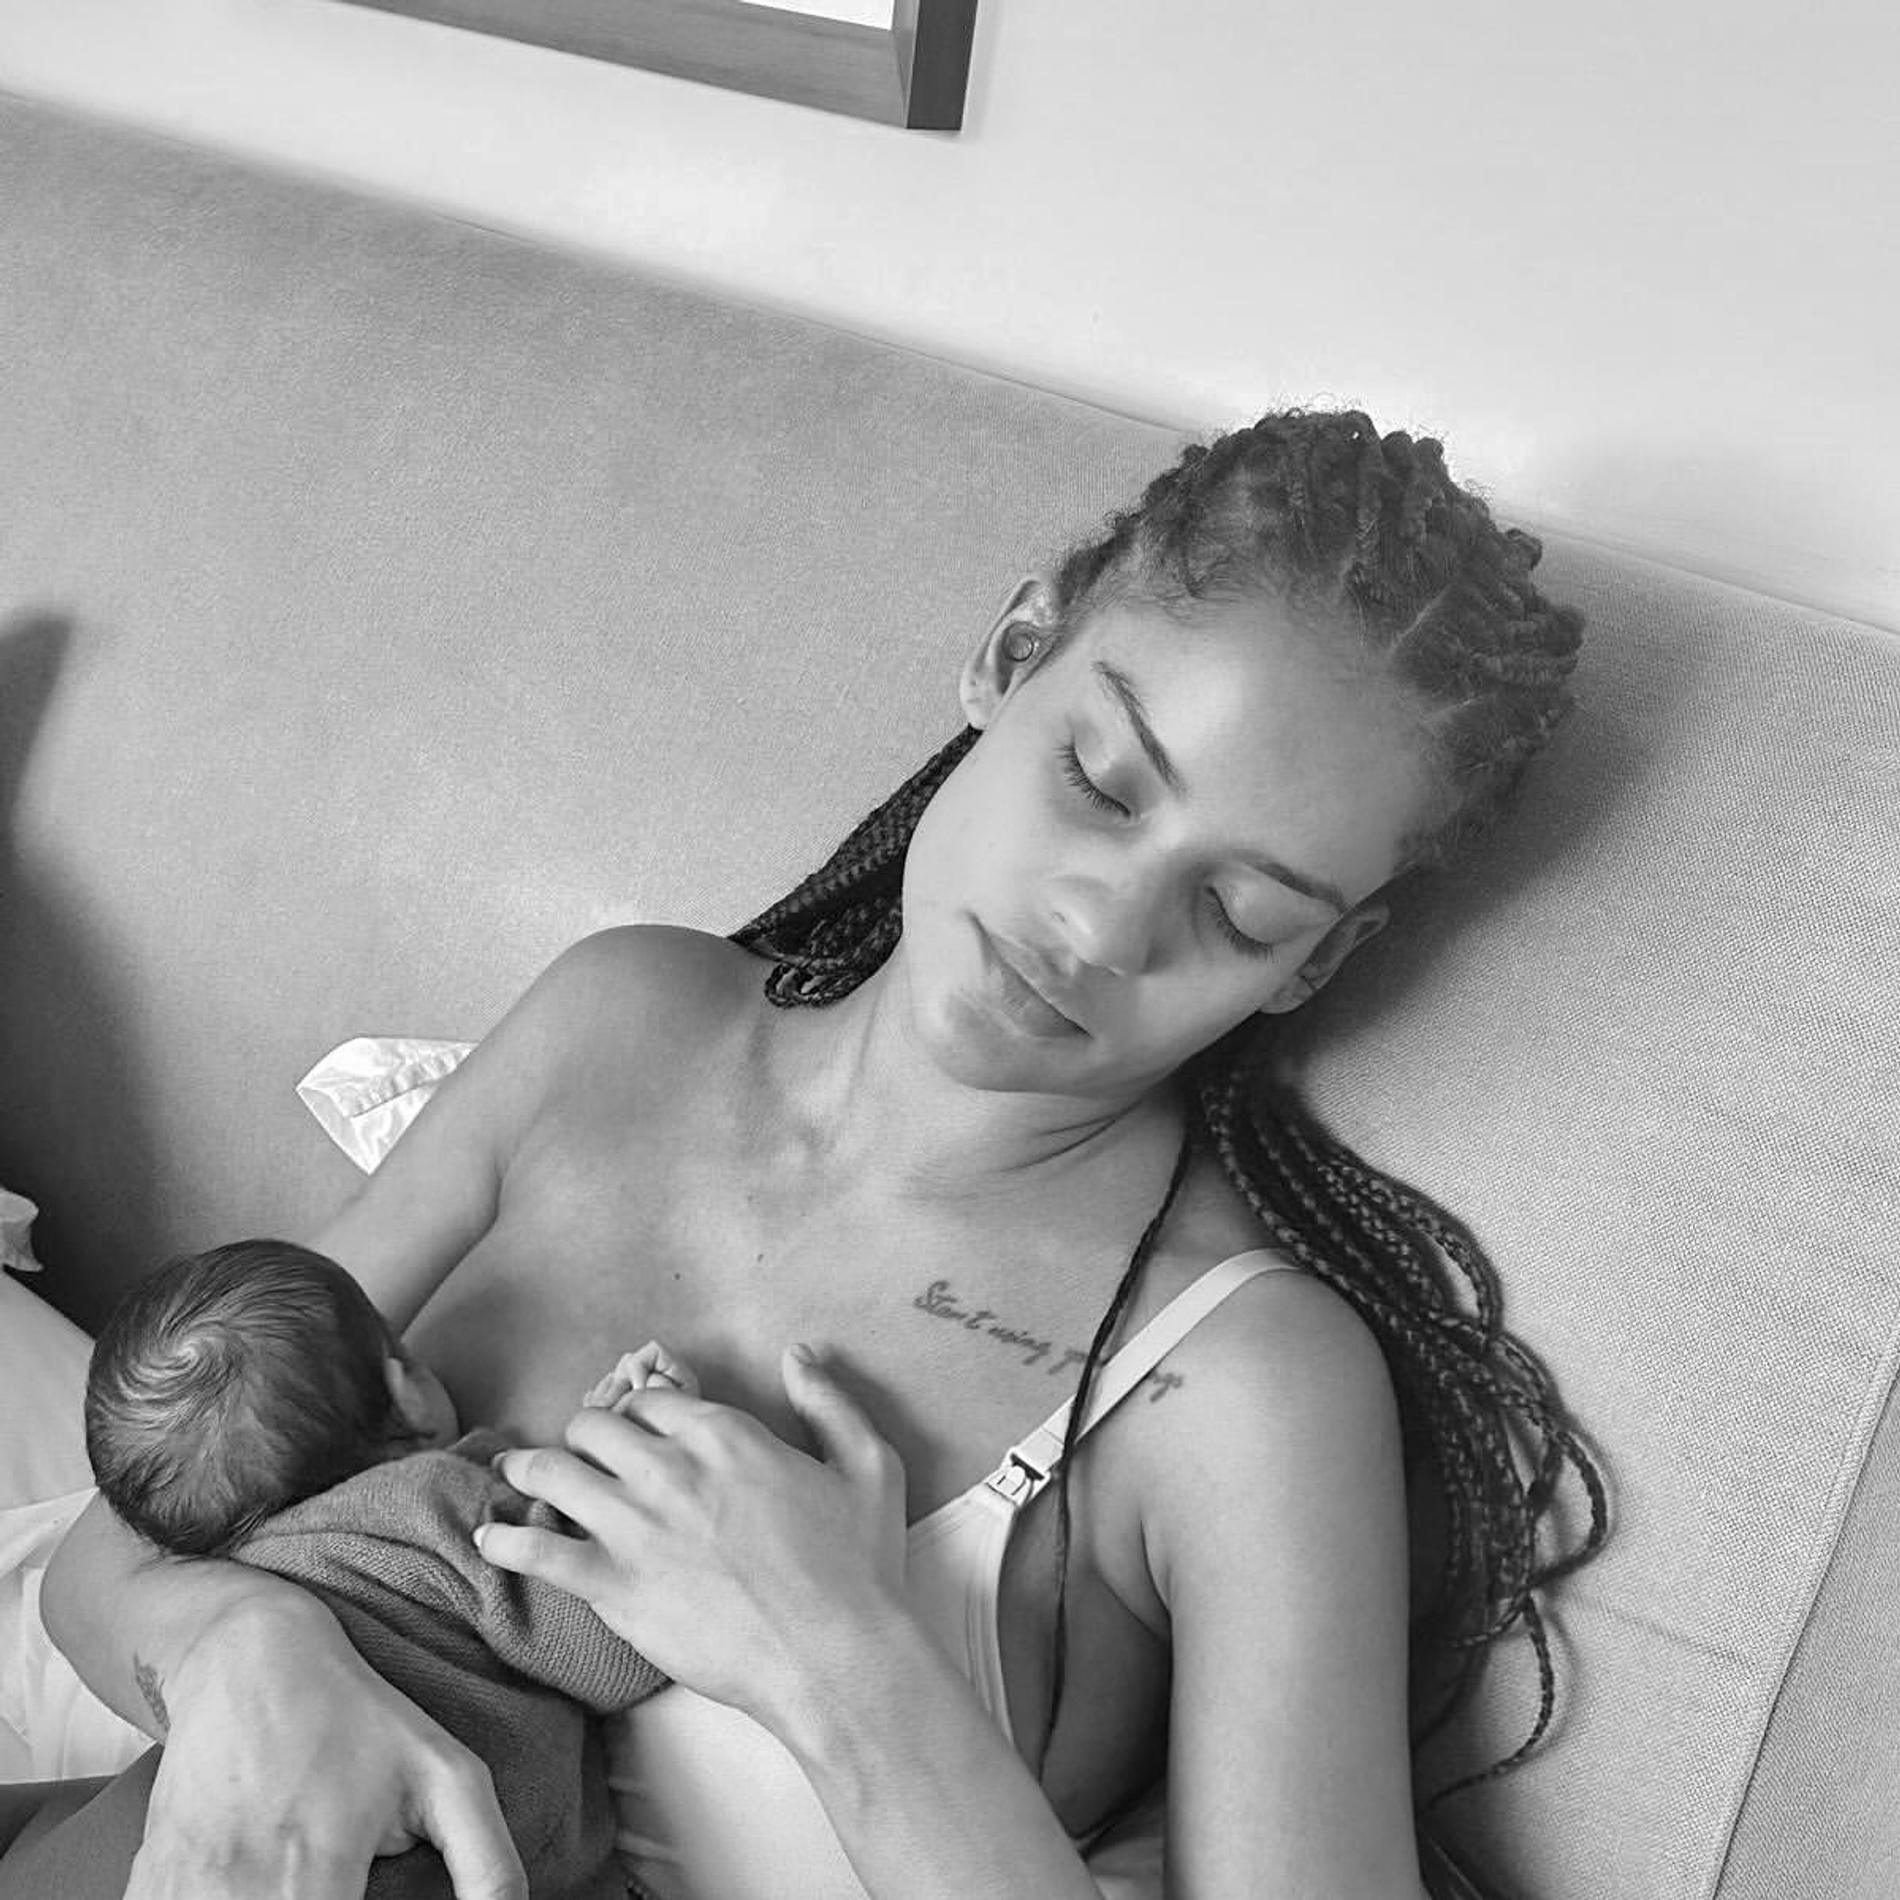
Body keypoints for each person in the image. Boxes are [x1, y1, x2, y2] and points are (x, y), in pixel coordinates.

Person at [17, 409, 1607, 1900]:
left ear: (1316, 963)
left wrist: (838, 1661)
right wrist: (250, 1653)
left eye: (1240, 912)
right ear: (1012, 654)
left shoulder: (1236, 1387)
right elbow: (103, 1565)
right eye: (1101, 781)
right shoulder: (618, 1024)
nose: (1101, 927)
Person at [6, 1240, 686, 1899]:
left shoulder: (229, 1571)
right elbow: (616, 1637)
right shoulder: (437, 1509)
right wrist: (623, 1454)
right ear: (404, 1389)